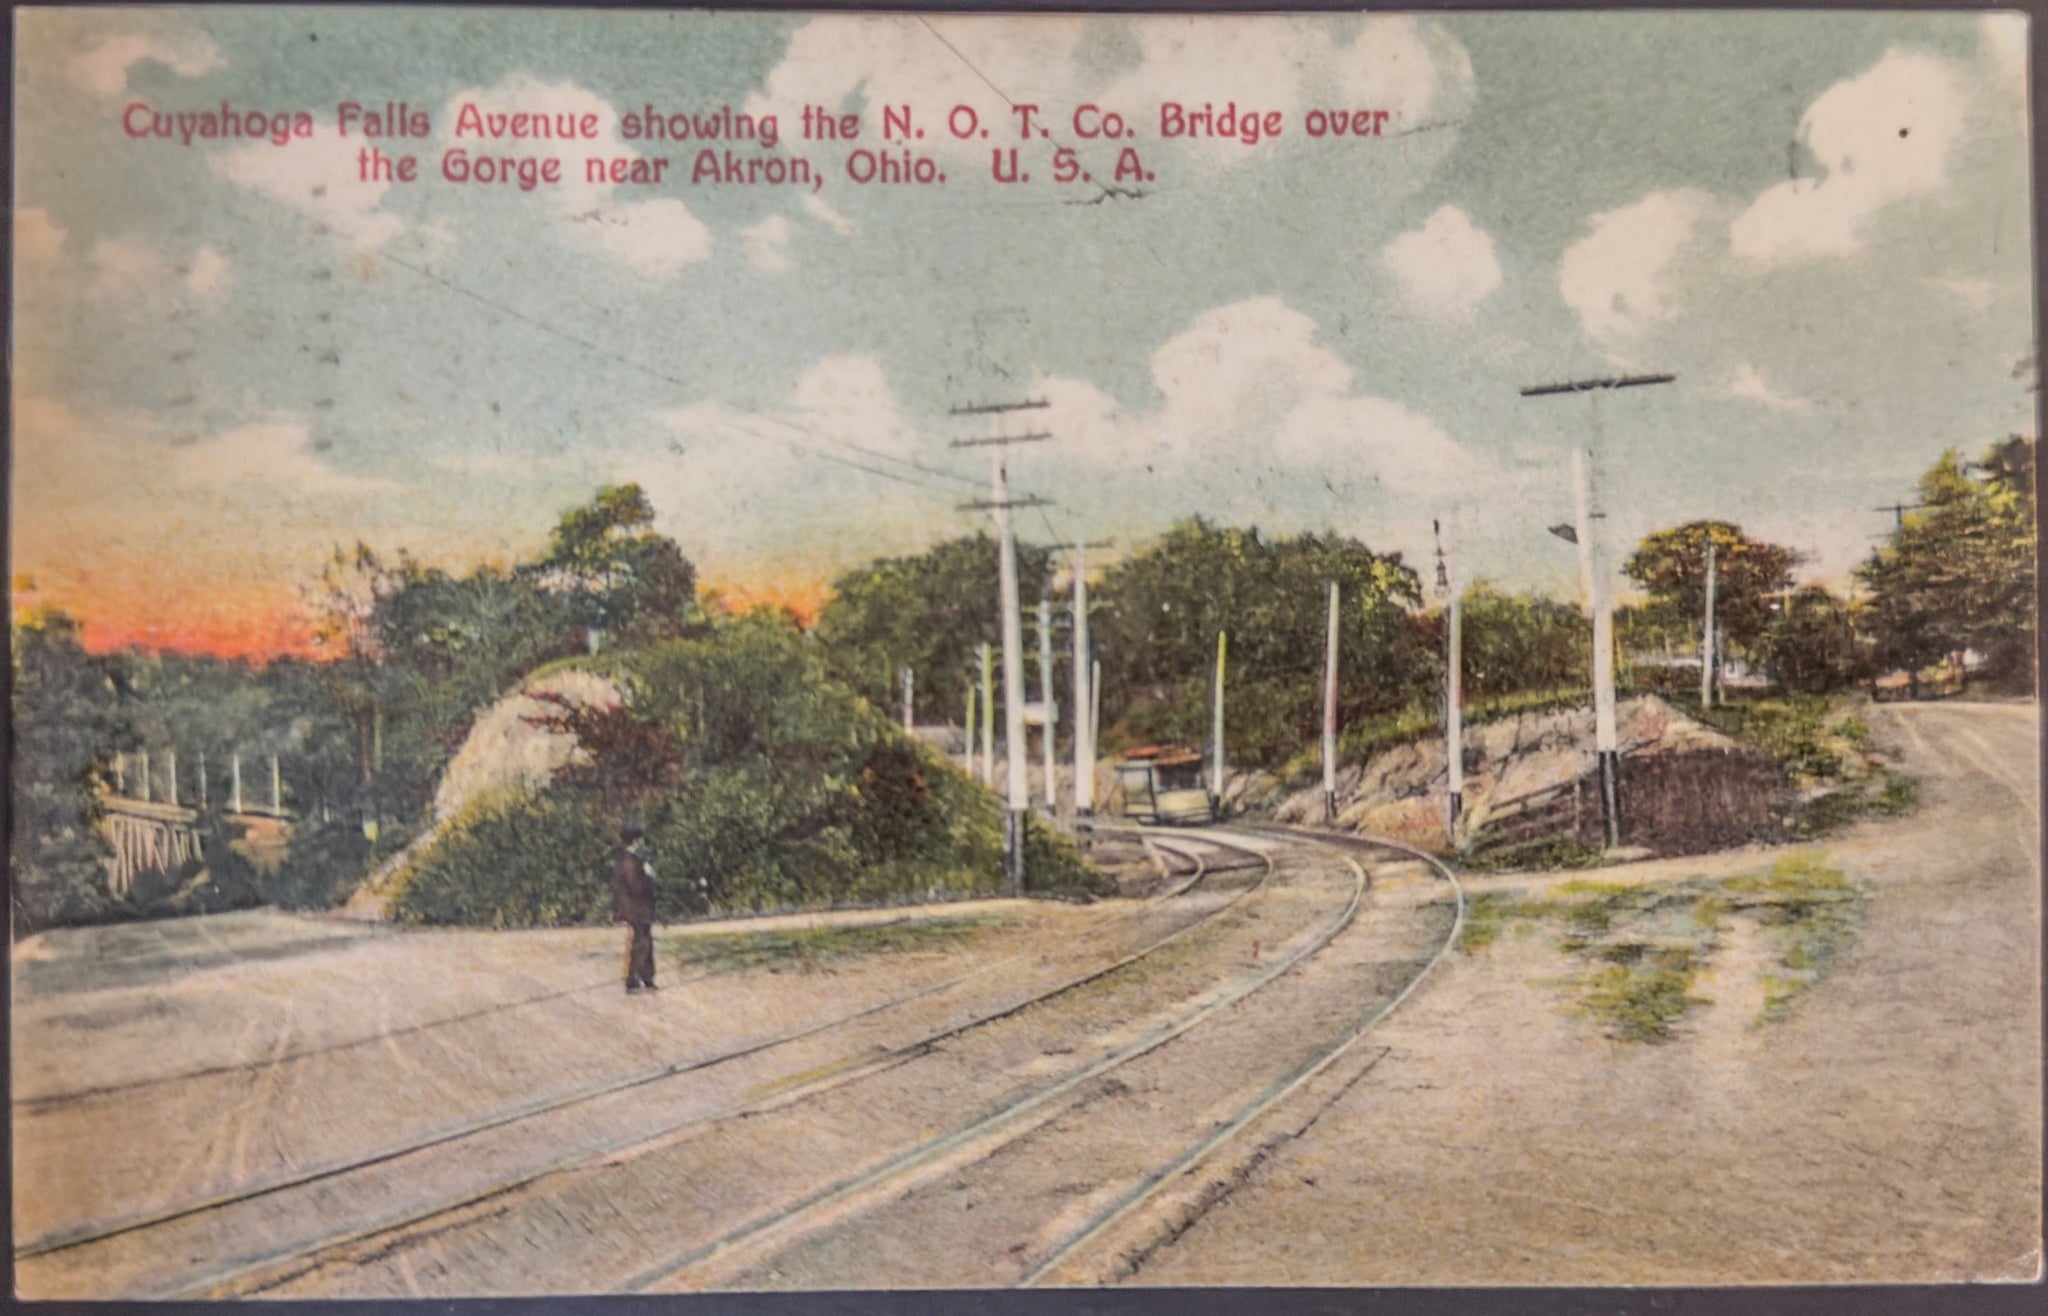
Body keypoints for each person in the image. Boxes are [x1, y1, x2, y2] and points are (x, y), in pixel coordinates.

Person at [611, 822, 657, 993]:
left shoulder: (626, 859)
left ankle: (647, 978)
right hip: (637, 907)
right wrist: (648, 875)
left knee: (646, 940)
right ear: (635, 840)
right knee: (641, 941)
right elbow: (636, 886)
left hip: (637, 907)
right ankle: (633, 979)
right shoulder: (630, 862)